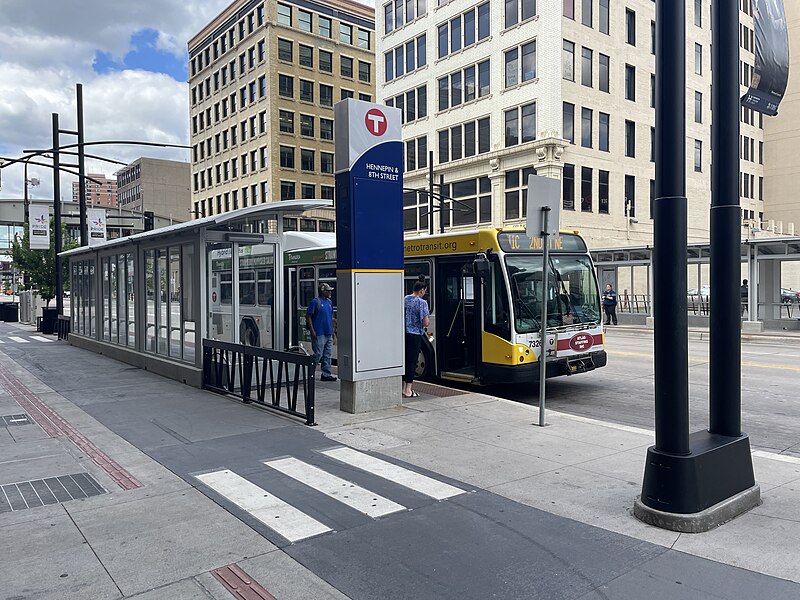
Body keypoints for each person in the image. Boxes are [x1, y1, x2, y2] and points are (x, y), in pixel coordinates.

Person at [403, 276, 430, 399]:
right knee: (412, 362)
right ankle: (408, 390)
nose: (424, 293)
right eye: (424, 291)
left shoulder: (405, 299)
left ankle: (403, 387)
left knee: (405, 360)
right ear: (421, 290)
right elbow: (425, 322)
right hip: (415, 335)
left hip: (404, 334)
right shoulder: (422, 303)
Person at [306, 282, 336, 381]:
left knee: (328, 354)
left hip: (328, 332)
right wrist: (312, 330)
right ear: (323, 291)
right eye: (328, 291)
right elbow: (309, 316)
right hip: (319, 332)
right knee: (318, 354)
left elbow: (331, 317)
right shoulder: (315, 302)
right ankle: (310, 372)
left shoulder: (329, 302)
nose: (330, 292)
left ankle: (326, 374)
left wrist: (332, 330)